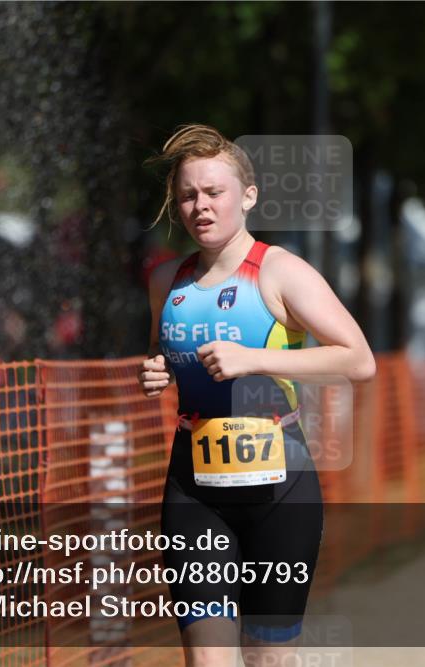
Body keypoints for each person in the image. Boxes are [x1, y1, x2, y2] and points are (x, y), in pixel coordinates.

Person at [139, 124, 375, 667]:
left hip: (280, 491)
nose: (201, 206)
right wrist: (155, 371)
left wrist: (257, 359)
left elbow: (359, 360)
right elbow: (168, 352)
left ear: (247, 196)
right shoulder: (165, 281)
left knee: (269, 659)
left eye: (214, 192)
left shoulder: (280, 272)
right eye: (188, 195)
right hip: (193, 490)